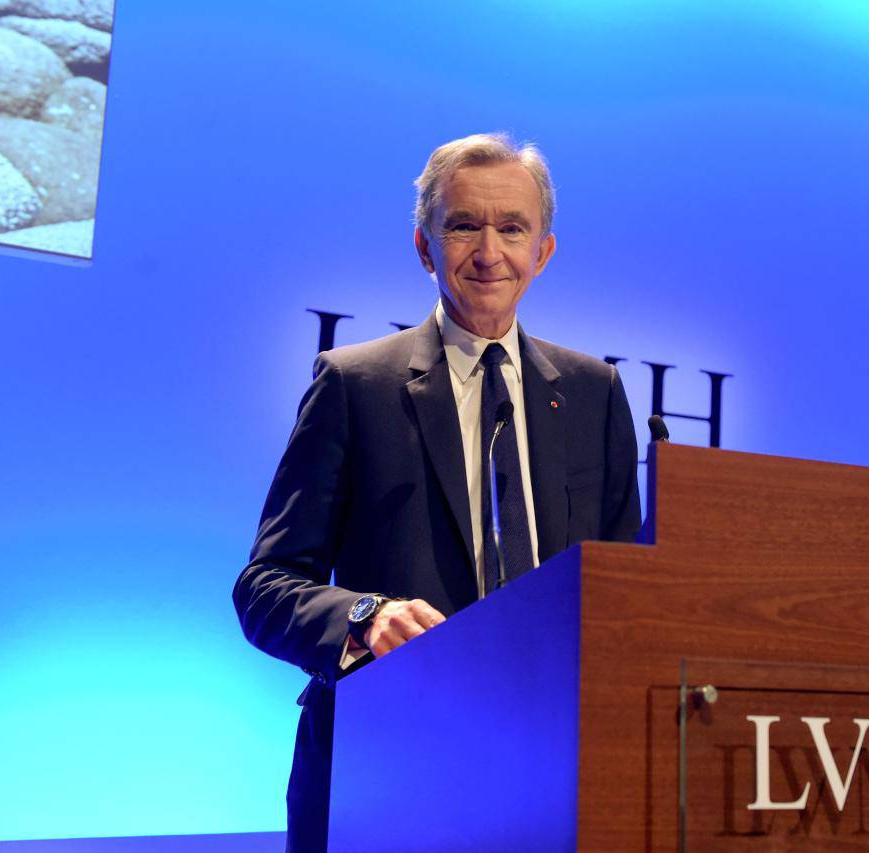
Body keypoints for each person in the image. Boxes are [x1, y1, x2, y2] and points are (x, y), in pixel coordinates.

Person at [233, 132, 642, 852]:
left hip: (554, 770)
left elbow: (626, 600)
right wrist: (364, 618)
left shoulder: (593, 393)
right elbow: (265, 587)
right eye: (463, 226)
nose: (489, 252)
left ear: (543, 251)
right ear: (425, 246)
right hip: (389, 767)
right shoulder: (355, 384)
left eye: (511, 228)